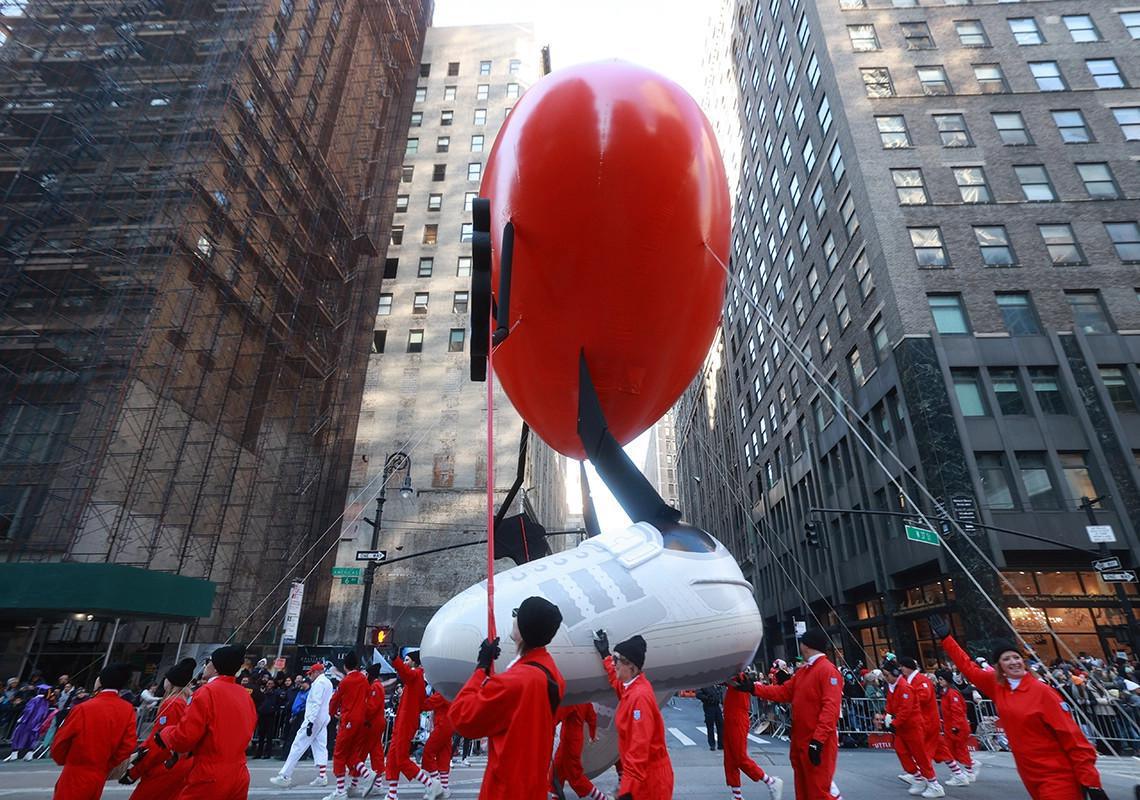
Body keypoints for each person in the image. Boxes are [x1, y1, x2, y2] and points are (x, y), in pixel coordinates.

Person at [929, 615, 1106, 800]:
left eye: (1017, 657)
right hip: (1029, 773)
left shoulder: (1042, 692)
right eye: (1007, 659)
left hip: (1057, 774)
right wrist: (947, 639)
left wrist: (1091, 782)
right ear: (999, 666)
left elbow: (1072, 737)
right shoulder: (998, 686)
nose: (1014, 661)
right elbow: (968, 667)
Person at [451, 595, 566, 800]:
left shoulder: (513, 682)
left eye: (517, 614)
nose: (513, 617)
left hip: (505, 790)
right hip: (533, 788)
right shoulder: (553, 674)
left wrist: (481, 669)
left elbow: (462, 718)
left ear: (523, 630)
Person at [736, 628, 842, 800]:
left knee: (817, 791)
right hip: (803, 740)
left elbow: (831, 709)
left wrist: (818, 740)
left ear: (806, 646)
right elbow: (783, 692)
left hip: (815, 741)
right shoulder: (805, 671)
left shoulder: (827, 670)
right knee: (804, 789)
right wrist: (753, 688)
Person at [156, 644, 257, 800]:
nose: (205, 665)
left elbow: (184, 738)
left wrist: (166, 733)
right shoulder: (244, 695)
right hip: (240, 774)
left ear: (215, 668)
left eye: (208, 662)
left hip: (209, 774)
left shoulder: (207, 692)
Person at [593, 631, 673, 800]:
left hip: (649, 782)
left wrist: (627, 791)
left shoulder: (639, 698)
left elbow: (638, 750)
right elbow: (616, 683)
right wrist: (605, 655)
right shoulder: (632, 686)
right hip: (642, 777)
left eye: (617, 660)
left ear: (631, 666)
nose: (614, 664)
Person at [50, 663, 137, 800]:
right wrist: (109, 764)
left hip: (75, 770)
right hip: (100, 772)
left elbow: (61, 741)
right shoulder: (127, 709)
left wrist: (64, 760)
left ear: (101, 681)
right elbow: (128, 745)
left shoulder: (83, 708)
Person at [122, 658, 197, 799]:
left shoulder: (173, 704)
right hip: (179, 765)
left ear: (170, 681)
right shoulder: (185, 702)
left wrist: (135, 772)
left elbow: (160, 744)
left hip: (166, 767)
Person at [382, 649, 438, 799]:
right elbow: (423, 703)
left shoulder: (416, 674)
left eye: (407, 660)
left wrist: (396, 660)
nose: (405, 662)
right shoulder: (418, 677)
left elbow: (406, 673)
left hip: (405, 722)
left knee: (400, 758)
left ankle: (431, 784)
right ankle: (392, 794)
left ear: (414, 662)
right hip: (404, 721)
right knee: (393, 758)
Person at [882, 659, 941, 797]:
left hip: (912, 726)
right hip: (902, 727)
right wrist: (888, 717)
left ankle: (934, 784)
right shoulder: (893, 687)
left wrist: (893, 723)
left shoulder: (904, 687)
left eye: (887, 675)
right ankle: (918, 777)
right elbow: (891, 706)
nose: (886, 678)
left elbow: (905, 710)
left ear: (895, 673)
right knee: (901, 752)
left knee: (920, 755)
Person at [272, 661, 333, 789]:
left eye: (311, 674)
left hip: (314, 719)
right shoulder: (327, 682)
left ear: (316, 672)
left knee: (298, 745)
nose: (310, 676)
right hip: (322, 719)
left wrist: (310, 722)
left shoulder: (319, 683)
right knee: (320, 746)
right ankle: (322, 776)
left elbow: (315, 703)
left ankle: (285, 775)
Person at [324, 652, 375, 799]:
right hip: (360, 720)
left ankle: (340, 791)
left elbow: (335, 699)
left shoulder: (346, 681)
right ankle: (366, 773)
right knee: (352, 753)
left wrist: (332, 713)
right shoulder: (363, 680)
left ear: (345, 666)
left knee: (339, 754)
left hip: (349, 720)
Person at [724, 672, 782, 800]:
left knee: (739, 757)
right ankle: (736, 795)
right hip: (731, 717)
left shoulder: (740, 676)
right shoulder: (734, 674)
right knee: (730, 757)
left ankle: (770, 781)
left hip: (737, 718)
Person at [552, 702, 609, 800]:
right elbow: (592, 716)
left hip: (569, 741)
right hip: (573, 740)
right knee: (557, 770)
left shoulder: (571, 701)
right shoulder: (584, 700)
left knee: (575, 776)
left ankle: (601, 798)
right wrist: (592, 734)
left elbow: (557, 716)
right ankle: (555, 796)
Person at [935, 669, 976, 784]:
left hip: (957, 727)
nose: (939, 681)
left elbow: (957, 711)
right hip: (952, 726)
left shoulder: (952, 693)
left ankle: (968, 771)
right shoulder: (946, 692)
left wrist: (956, 726)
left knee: (960, 749)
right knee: (954, 750)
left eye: (941, 679)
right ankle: (966, 771)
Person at [422, 689, 455, 798]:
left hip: (442, 725)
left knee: (428, 751)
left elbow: (427, 704)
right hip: (448, 724)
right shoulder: (449, 690)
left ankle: (435, 785)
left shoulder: (442, 692)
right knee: (443, 755)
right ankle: (444, 788)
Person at [7, 683, 51, 760]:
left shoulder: (34, 700)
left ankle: (15, 753)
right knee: (32, 737)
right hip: (37, 723)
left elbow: (29, 710)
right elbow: (44, 714)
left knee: (19, 735)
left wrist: (23, 719)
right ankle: (29, 753)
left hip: (28, 722)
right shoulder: (46, 702)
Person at [696, 683, 724, 751]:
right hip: (709, 706)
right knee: (710, 726)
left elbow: (719, 693)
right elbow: (698, 694)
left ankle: (721, 744)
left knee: (720, 725)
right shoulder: (703, 684)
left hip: (717, 706)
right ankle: (712, 744)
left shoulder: (715, 683)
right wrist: (707, 698)